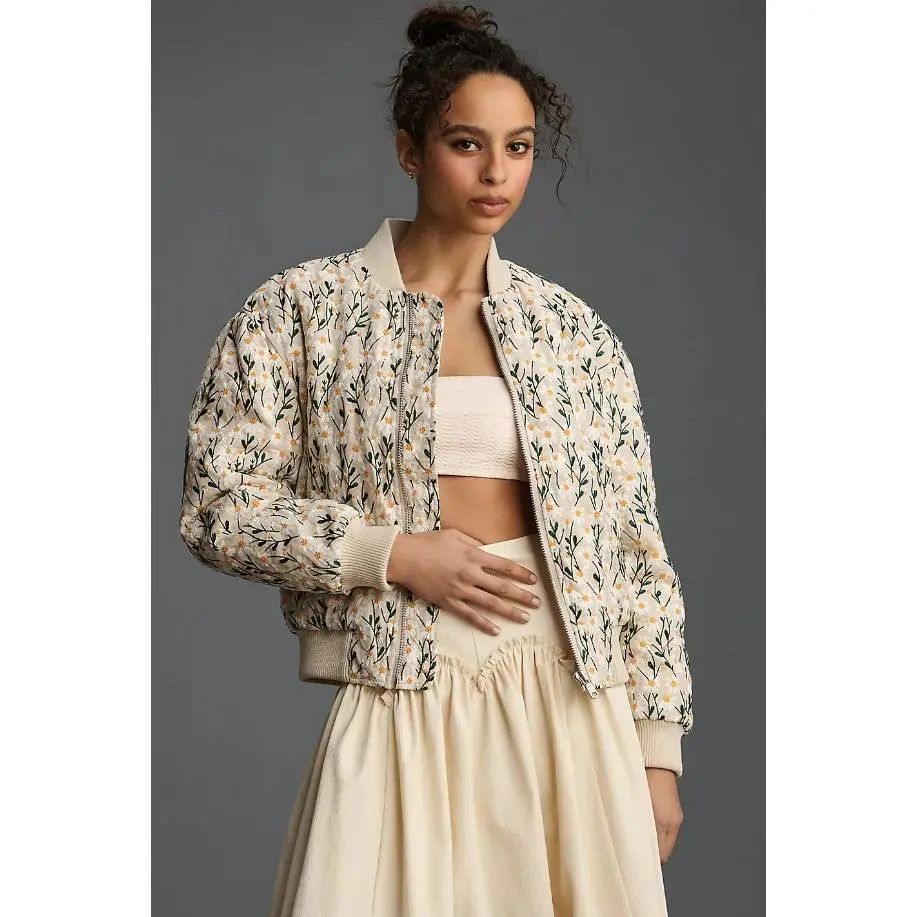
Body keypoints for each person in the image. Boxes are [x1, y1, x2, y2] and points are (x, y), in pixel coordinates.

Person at [179, 4, 694, 915]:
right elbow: (219, 508)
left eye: (519, 147)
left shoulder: (570, 332)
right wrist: (393, 553)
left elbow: (634, 552)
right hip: (400, 682)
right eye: (467, 143)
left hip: (570, 698)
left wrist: (656, 751)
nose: (497, 172)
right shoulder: (301, 311)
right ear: (408, 150)